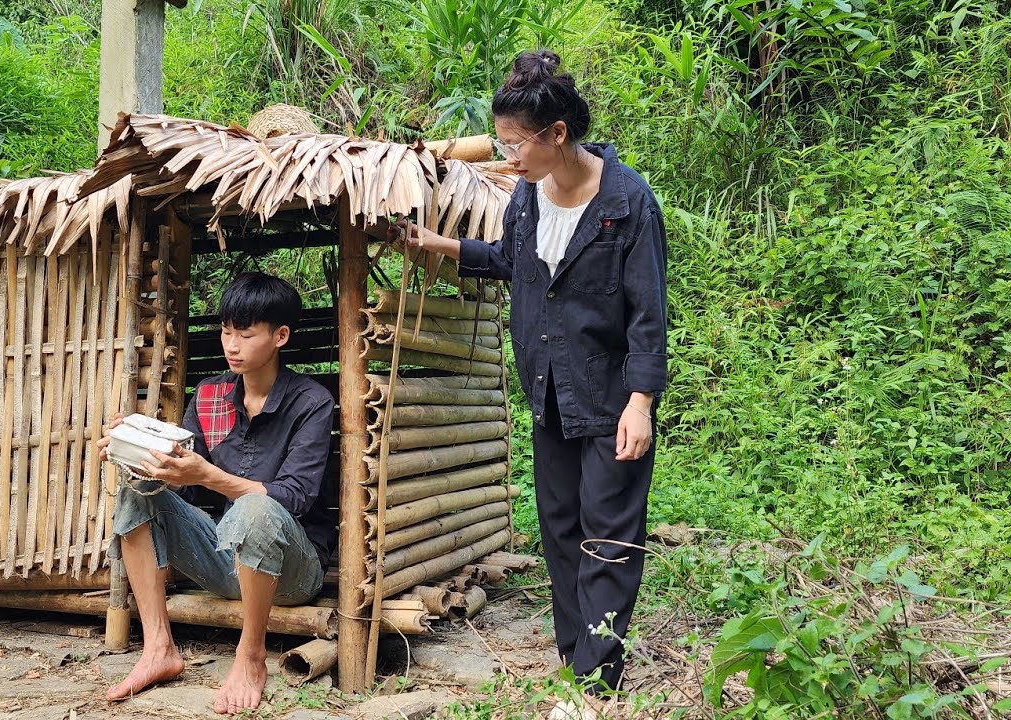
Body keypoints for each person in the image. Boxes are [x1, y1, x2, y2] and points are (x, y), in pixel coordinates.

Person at [395, 50, 667, 718]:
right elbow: (511, 262)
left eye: (517, 144)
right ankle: (577, 657)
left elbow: (649, 315)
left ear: (557, 135)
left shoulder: (626, 203)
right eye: (504, 142)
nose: (508, 156)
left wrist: (641, 402)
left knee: (608, 531)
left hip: (609, 397)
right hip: (547, 391)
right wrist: (438, 247)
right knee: (560, 528)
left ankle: (596, 679)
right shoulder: (527, 195)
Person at [97, 272, 336, 714]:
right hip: (225, 558)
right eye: (227, 331)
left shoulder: (312, 401)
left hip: (291, 573)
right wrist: (133, 443)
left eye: (246, 334)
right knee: (137, 492)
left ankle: (250, 656)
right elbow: (178, 481)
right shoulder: (210, 395)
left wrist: (207, 475)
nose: (232, 344)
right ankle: (159, 649)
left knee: (257, 507)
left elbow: (295, 497)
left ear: (280, 336)